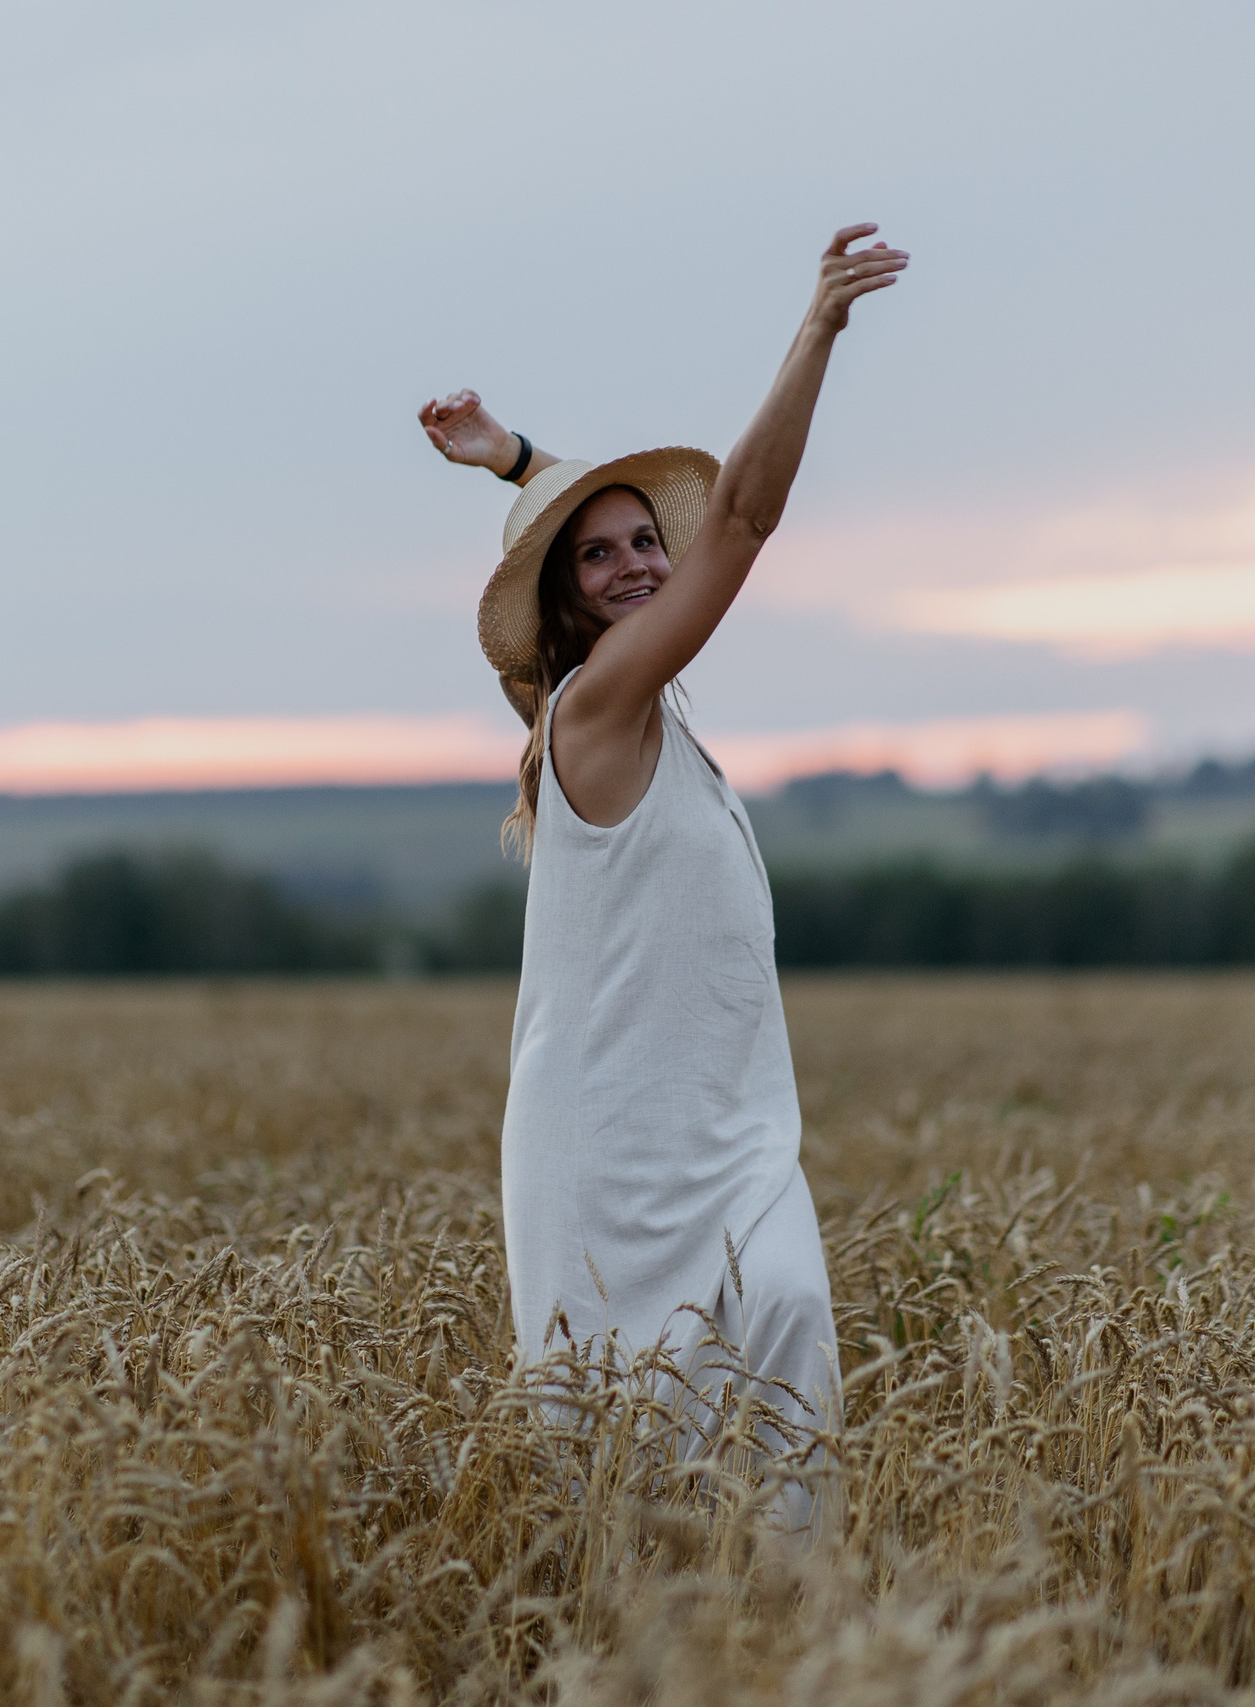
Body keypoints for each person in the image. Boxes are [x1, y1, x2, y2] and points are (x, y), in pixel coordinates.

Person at [416, 225, 908, 1518]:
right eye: (603, 555)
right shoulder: (595, 710)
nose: (639, 561)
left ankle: (800, 1630)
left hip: (729, 1128)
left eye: (649, 542)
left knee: (792, 1309)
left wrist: (515, 458)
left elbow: (636, 528)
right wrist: (818, 329)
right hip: (610, 1143)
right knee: (636, 1454)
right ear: (571, 608)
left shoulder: (665, 721)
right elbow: (740, 518)